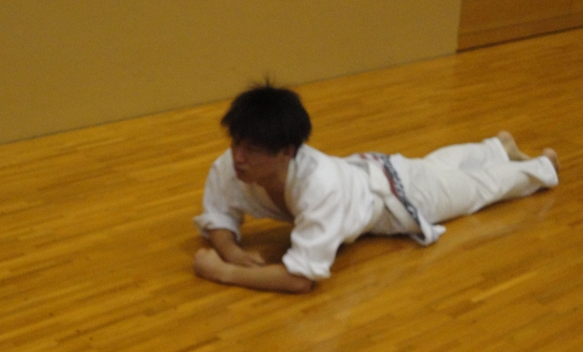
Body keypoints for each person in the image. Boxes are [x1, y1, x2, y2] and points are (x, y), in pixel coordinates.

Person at [192, 82, 559, 293]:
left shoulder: (320, 186)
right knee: (433, 167)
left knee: (477, 189)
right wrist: (231, 251)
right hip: (370, 170)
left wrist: (224, 273)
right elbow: (219, 212)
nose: (237, 157)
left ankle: (540, 167)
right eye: (235, 143)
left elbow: (300, 279)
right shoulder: (233, 164)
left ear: (287, 152)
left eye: (252, 149)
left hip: (399, 198)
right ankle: (496, 148)